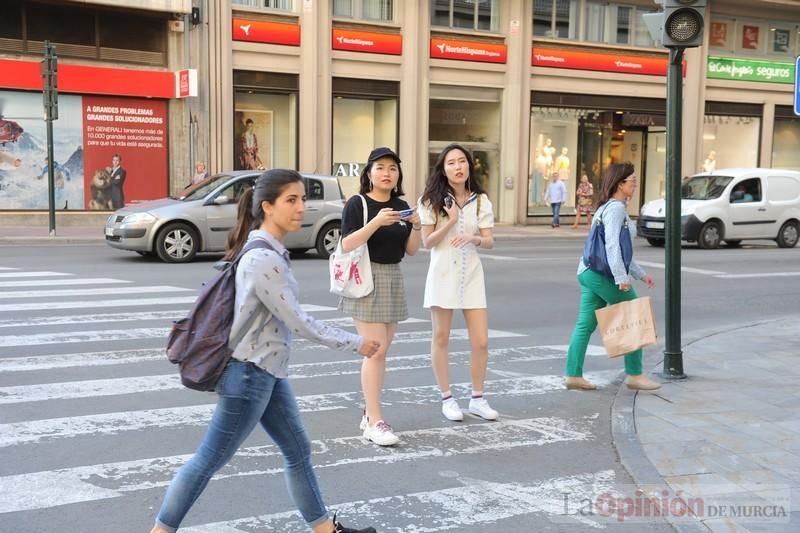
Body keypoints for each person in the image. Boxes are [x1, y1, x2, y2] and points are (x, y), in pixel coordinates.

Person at [150, 169, 380, 533]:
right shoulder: (263, 260)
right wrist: (356, 343)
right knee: (209, 459)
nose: (301, 207)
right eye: (291, 200)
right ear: (267, 207)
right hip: (249, 377)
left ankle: (324, 530)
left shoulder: (265, 250)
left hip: (265, 373)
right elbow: (300, 322)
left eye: (303, 199)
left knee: (297, 450)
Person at [338, 147, 422, 447]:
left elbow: (410, 250)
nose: (387, 173)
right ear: (369, 173)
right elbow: (346, 244)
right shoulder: (358, 203)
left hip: (392, 278)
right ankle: (374, 421)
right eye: (381, 167)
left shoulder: (401, 204)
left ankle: (369, 412)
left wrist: (417, 226)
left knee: (382, 351)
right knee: (375, 350)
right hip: (365, 277)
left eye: (393, 168)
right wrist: (375, 223)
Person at [418, 143, 498, 422]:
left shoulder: (481, 200)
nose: (458, 167)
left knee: (482, 341)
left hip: (472, 274)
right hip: (443, 273)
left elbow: (489, 241)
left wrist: (476, 238)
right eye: (451, 162)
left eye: (462, 161)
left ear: (469, 166)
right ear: (443, 169)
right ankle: (447, 398)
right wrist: (450, 221)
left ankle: (477, 398)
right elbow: (427, 242)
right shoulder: (431, 200)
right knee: (441, 337)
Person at [564, 163, 660, 392]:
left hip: (588, 271)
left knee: (585, 324)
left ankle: (573, 375)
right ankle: (635, 374)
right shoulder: (616, 208)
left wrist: (639, 274)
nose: (635, 184)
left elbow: (621, 250)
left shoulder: (609, 207)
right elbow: (613, 246)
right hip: (601, 274)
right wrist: (621, 278)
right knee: (633, 312)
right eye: (632, 181)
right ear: (620, 184)